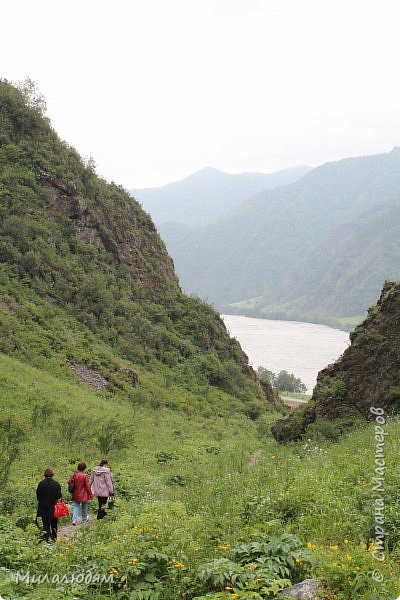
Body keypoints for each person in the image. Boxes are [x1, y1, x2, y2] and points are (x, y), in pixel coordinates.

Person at [36, 468, 62, 542]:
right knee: (54, 524)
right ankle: (54, 538)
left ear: (45, 475)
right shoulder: (56, 484)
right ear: (52, 475)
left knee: (46, 525)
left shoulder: (41, 483)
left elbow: (38, 495)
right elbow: (58, 496)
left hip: (43, 507)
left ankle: (47, 539)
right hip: (53, 507)